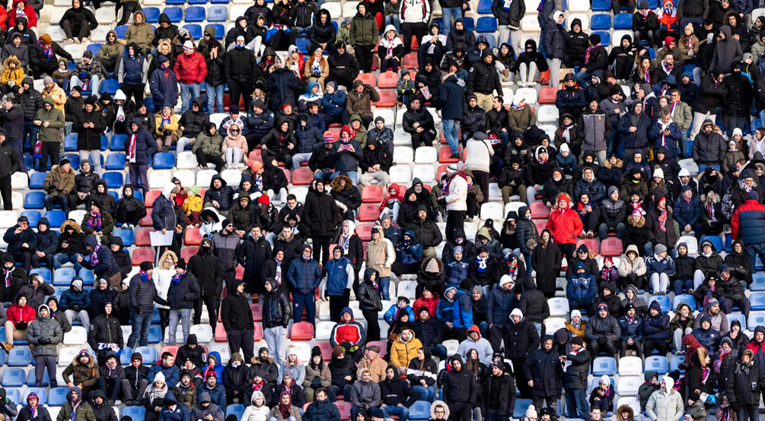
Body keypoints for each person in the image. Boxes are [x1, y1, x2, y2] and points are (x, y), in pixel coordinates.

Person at [524, 336, 562, 418]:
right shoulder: (536, 353)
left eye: (550, 344)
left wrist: (556, 383)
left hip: (552, 388)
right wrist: (529, 379)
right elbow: (526, 365)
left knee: (553, 414)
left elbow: (559, 371)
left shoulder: (556, 355)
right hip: (538, 387)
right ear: (543, 344)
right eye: (547, 343)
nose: (548, 345)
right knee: (536, 414)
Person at [26, 303, 62, 388]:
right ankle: (37, 397)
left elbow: (59, 336)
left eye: (45, 310)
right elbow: (28, 336)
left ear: (48, 311)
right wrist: (37, 340)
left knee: (53, 378)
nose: (43, 312)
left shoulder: (55, 323)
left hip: (51, 354)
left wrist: (50, 340)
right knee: (38, 378)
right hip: (39, 353)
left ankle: (54, 395)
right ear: (39, 312)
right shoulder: (33, 324)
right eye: (41, 310)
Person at [221, 280, 255, 362]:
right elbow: (224, 316)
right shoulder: (227, 299)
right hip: (234, 331)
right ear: (235, 286)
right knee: (235, 356)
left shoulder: (244, 299)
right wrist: (229, 330)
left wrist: (251, 329)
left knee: (249, 355)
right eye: (241, 285)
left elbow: (249, 314)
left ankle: (249, 373)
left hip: (247, 331)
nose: (242, 287)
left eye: (243, 286)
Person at [442, 354, 477, 421]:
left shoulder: (469, 374)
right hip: (452, 404)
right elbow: (445, 391)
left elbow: (474, 389)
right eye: (454, 364)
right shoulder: (448, 375)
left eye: (457, 363)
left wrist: (470, 403)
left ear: (461, 362)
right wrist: (446, 405)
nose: (456, 365)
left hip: (466, 404)